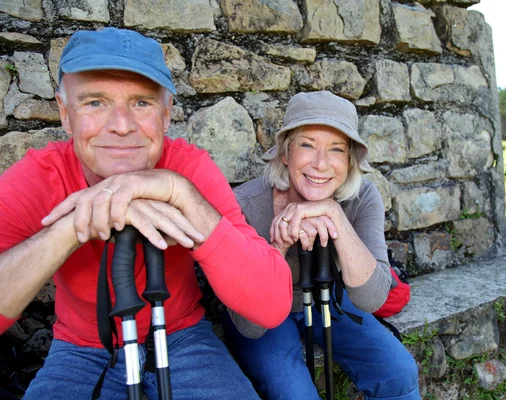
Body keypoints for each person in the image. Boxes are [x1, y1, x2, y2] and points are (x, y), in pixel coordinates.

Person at [0, 27, 292, 399]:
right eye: (95, 102)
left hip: (181, 337)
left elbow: (270, 305)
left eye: (141, 103)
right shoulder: (39, 177)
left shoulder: (188, 169)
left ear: (166, 114)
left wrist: (180, 193)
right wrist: (71, 227)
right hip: (82, 348)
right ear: (65, 113)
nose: (121, 125)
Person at [223, 91, 420, 400]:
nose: (320, 164)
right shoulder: (244, 205)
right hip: (267, 314)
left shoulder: (362, 197)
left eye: (336, 149)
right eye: (307, 145)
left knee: (398, 372)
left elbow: (373, 298)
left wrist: (335, 217)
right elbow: (249, 326)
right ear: (285, 153)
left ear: (350, 160)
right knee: (294, 394)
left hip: (331, 297)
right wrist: (276, 249)